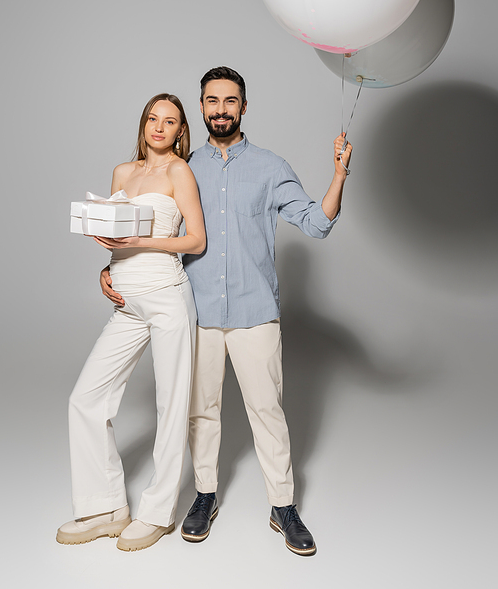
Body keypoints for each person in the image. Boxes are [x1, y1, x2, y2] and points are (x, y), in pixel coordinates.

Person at [101, 66, 352, 556]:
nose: (220, 109)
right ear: (200, 108)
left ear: (243, 107)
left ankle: (283, 506)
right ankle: (205, 495)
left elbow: (316, 225)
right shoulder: (181, 169)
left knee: (268, 412)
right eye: (212, 101)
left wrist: (339, 174)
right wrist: (110, 270)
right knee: (202, 412)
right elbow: (144, 236)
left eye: (229, 101)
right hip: (195, 313)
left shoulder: (270, 166)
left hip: (256, 312)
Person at [57, 93, 205, 552]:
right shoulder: (123, 172)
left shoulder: (179, 171)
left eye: (170, 122)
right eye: (153, 118)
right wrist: (107, 266)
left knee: (170, 405)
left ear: (181, 131)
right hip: (127, 302)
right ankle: (105, 508)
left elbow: (195, 239)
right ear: (143, 123)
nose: (159, 127)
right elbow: (115, 235)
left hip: (166, 298)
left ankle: (157, 513)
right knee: (86, 398)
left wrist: (141, 240)